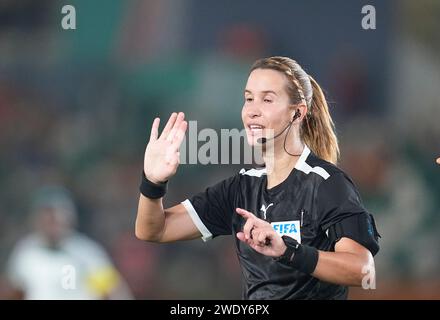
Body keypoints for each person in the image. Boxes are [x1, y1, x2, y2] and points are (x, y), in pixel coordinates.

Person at [135, 56, 380, 299]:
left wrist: (288, 251)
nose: (252, 110)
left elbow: (363, 271)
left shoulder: (327, 183)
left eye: (267, 99)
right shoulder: (242, 189)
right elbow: (154, 230)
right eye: (248, 98)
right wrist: (153, 182)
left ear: (297, 113)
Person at [5, 186, 132, 300]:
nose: (51, 221)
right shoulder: (26, 252)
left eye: (56, 215)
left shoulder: (86, 253)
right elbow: (15, 290)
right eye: (46, 215)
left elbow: (113, 292)